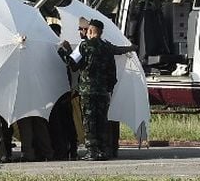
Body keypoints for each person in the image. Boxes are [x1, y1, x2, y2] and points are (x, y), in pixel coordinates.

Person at [59, 18, 135, 161]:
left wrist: (64, 51)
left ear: (91, 31)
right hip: (103, 91)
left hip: (87, 91)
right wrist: (109, 88)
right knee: (102, 121)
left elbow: (73, 65)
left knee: (89, 121)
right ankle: (103, 151)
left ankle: (92, 151)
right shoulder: (107, 47)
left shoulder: (84, 46)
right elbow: (113, 69)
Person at [47, 23, 78, 160]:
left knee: (59, 123)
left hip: (57, 92)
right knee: (66, 123)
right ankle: (70, 149)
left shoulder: (55, 50)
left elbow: (73, 65)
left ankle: (63, 150)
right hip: (63, 91)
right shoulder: (61, 49)